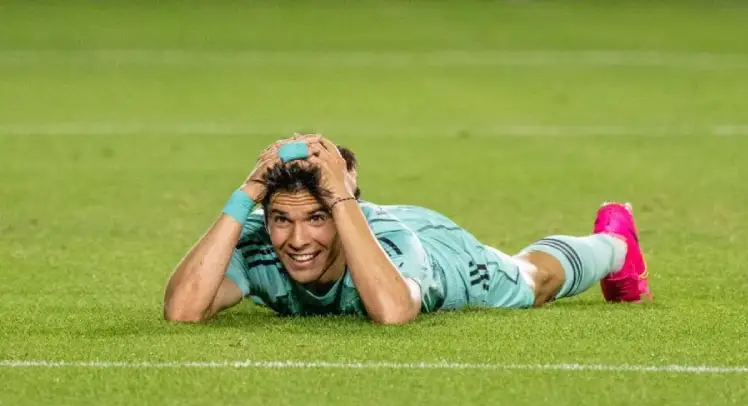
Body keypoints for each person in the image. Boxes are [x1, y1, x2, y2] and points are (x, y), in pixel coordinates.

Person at [163, 134, 651, 325]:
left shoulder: (399, 242)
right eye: (280, 220)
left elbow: (394, 311)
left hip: (436, 255)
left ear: (340, 209)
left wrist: (339, 198)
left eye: (316, 219)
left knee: (532, 281)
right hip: (357, 218)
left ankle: (615, 243)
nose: (297, 241)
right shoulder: (255, 239)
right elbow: (183, 311)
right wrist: (245, 193)